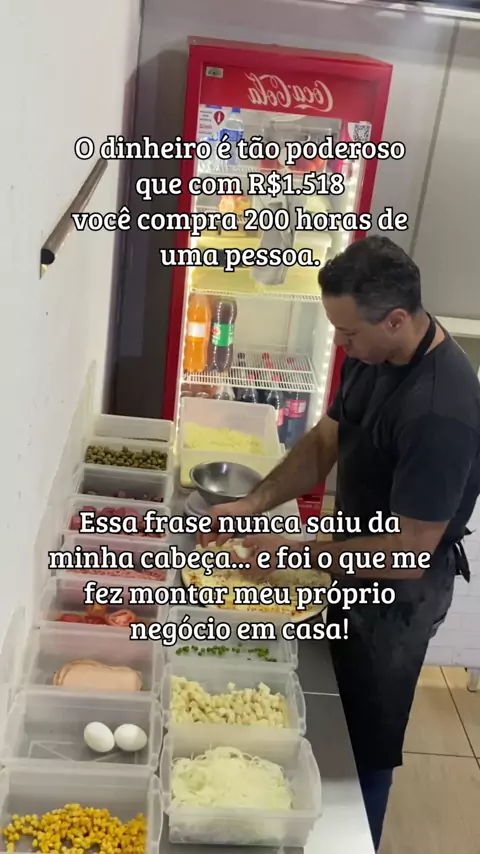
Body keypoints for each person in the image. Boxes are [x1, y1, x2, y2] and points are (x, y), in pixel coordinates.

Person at [199, 236, 480, 851]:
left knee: (365, 739)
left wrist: (294, 553)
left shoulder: (440, 411)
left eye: (348, 334)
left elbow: (409, 550)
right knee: (319, 708)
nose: (341, 345)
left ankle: (357, 834)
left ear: (396, 319)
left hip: (398, 595)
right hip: (348, 558)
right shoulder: (371, 354)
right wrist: (255, 503)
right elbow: (327, 440)